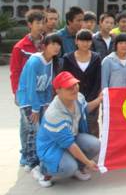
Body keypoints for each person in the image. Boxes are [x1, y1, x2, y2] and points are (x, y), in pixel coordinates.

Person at [35, 72, 102, 187]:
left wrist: (100, 99)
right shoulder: (54, 113)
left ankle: (78, 167)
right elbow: (70, 145)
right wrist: (88, 162)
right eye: (69, 87)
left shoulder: (78, 97)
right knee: (69, 167)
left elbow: (85, 109)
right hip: (52, 146)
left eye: (75, 85)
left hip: (72, 137)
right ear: (58, 91)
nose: (74, 89)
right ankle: (44, 170)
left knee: (95, 144)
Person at [16, 34, 61, 175]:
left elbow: (48, 85)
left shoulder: (52, 62)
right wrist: (35, 108)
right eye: (53, 44)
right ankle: (31, 162)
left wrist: (47, 103)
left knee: (39, 131)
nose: (56, 47)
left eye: (58, 44)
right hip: (28, 101)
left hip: (41, 101)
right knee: (33, 131)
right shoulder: (35, 61)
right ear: (44, 46)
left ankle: (31, 158)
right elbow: (30, 87)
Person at [59, 30, 102, 137]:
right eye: (82, 40)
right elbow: (66, 78)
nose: (85, 43)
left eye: (88, 41)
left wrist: (92, 98)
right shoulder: (68, 58)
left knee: (92, 125)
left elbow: (98, 79)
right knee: (73, 126)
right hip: (73, 98)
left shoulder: (96, 58)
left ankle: (93, 145)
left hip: (92, 98)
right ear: (76, 41)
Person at [10, 9, 44, 96]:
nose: (41, 26)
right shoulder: (20, 47)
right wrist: (17, 92)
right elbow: (15, 71)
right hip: (26, 90)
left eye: (42, 23)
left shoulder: (48, 44)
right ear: (30, 24)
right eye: (38, 23)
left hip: (44, 90)